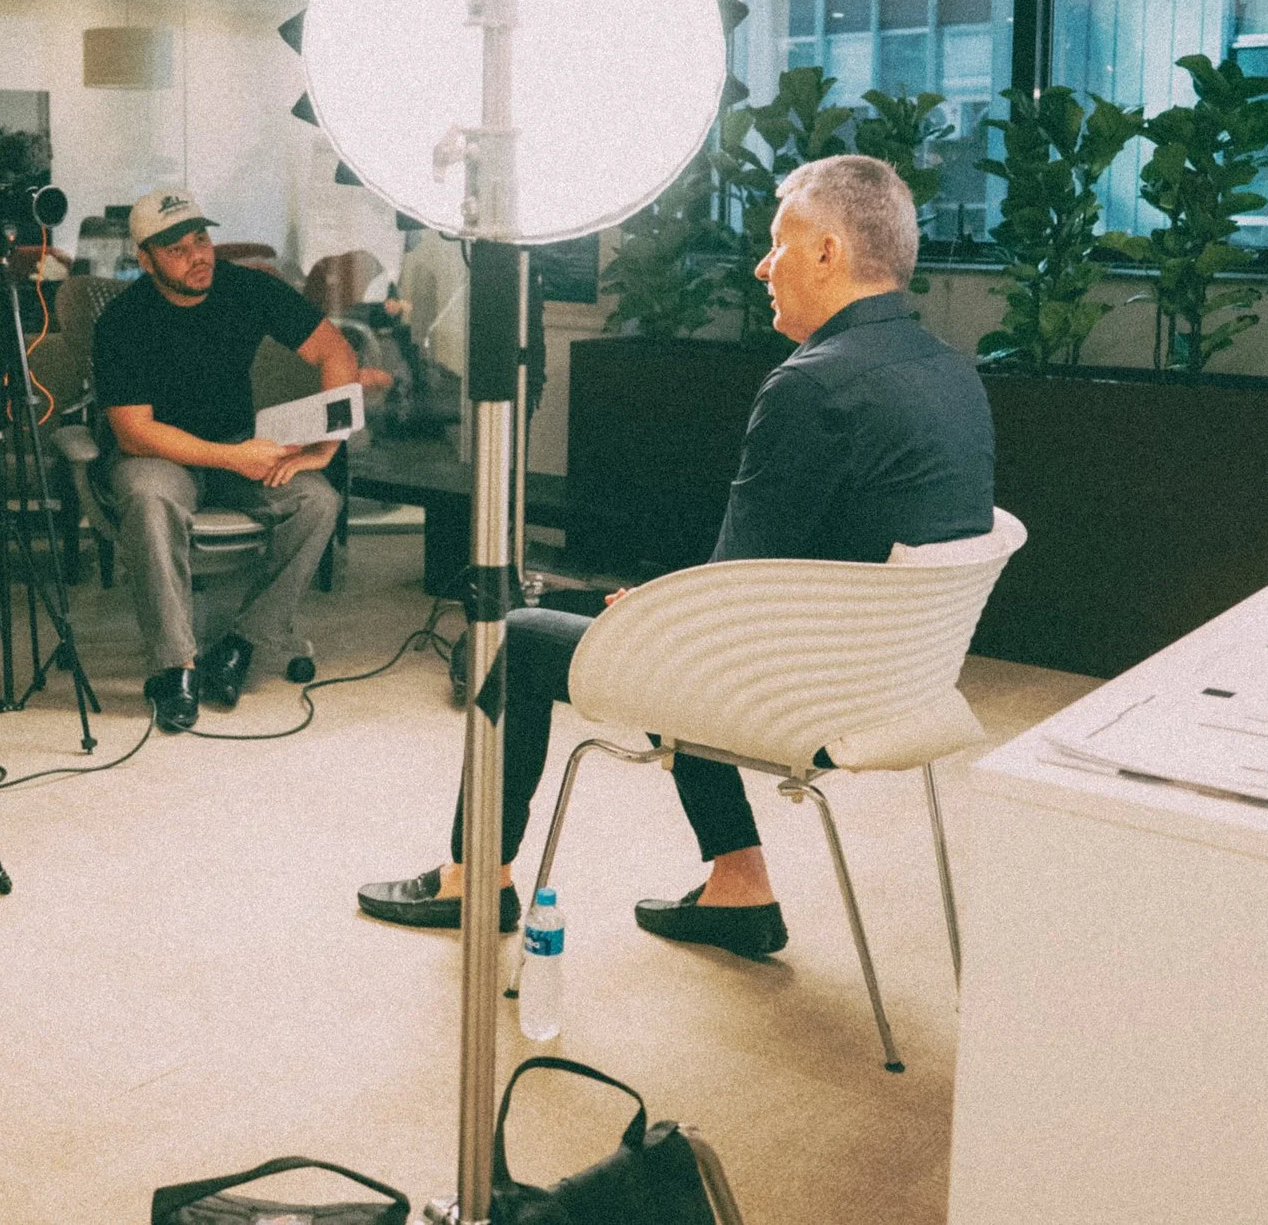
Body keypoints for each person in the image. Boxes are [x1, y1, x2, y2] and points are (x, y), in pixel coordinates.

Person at [357, 155, 993, 958]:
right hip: (900, 682)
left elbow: (726, 599)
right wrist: (658, 606)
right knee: (646, 610)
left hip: (813, 695)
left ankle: (475, 880)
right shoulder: (949, 369)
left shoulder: (813, 384)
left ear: (829, 252)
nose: (764, 267)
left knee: (520, 636)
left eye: (778, 245)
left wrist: (655, 612)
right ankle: (739, 885)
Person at [92, 189, 383, 733]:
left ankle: (241, 643)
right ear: (145, 260)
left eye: (200, 238)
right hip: (162, 452)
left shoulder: (246, 289)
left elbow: (334, 351)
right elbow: (134, 433)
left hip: (238, 442)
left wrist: (327, 443)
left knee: (318, 502)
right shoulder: (123, 322)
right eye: (175, 249)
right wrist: (233, 457)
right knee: (149, 498)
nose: (197, 255)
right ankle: (174, 666)